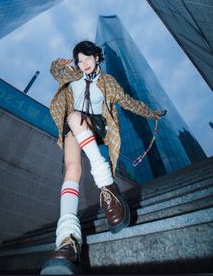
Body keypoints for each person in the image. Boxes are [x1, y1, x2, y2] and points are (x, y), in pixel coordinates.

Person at [40, 40, 164, 275]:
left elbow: (129, 102)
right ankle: (68, 240)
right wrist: (59, 63)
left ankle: (106, 186)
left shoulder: (109, 82)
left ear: (97, 57)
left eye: (87, 58)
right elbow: (54, 70)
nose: (83, 64)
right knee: (71, 170)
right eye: (79, 60)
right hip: (73, 127)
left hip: (94, 125)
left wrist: (152, 113)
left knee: (76, 118)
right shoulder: (72, 76)